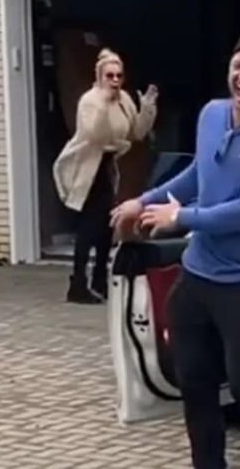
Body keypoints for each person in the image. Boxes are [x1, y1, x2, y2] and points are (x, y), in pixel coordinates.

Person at [110, 32, 240, 469]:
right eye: (238, 66)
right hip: (197, 280)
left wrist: (180, 218)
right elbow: (196, 175)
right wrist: (143, 201)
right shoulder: (212, 115)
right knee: (196, 386)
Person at [53, 48, 158, 304]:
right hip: (86, 167)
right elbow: (94, 135)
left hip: (108, 165)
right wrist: (103, 102)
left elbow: (136, 132)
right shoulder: (90, 101)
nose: (115, 81)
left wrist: (147, 109)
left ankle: (100, 279)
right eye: (109, 76)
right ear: (99, 77)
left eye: (119, 76)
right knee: (89, 227)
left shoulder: (124, 100)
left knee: (105, 227)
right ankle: (78, 283)